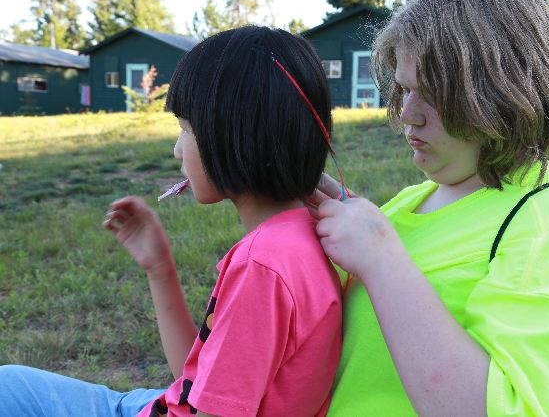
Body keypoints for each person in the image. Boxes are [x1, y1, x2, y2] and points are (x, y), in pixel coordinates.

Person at [310, 0, 549, 415]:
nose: (407, 114)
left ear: (504, 93)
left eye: (433, 94)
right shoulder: (412, 201)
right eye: (405, 89)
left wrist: (383, 261)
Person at [0, 26, 342, 417]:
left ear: (233, 134)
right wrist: (159, 269)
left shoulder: (263, 265)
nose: (177, 150)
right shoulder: (307, 238)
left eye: (185, 130)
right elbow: (194, 382)